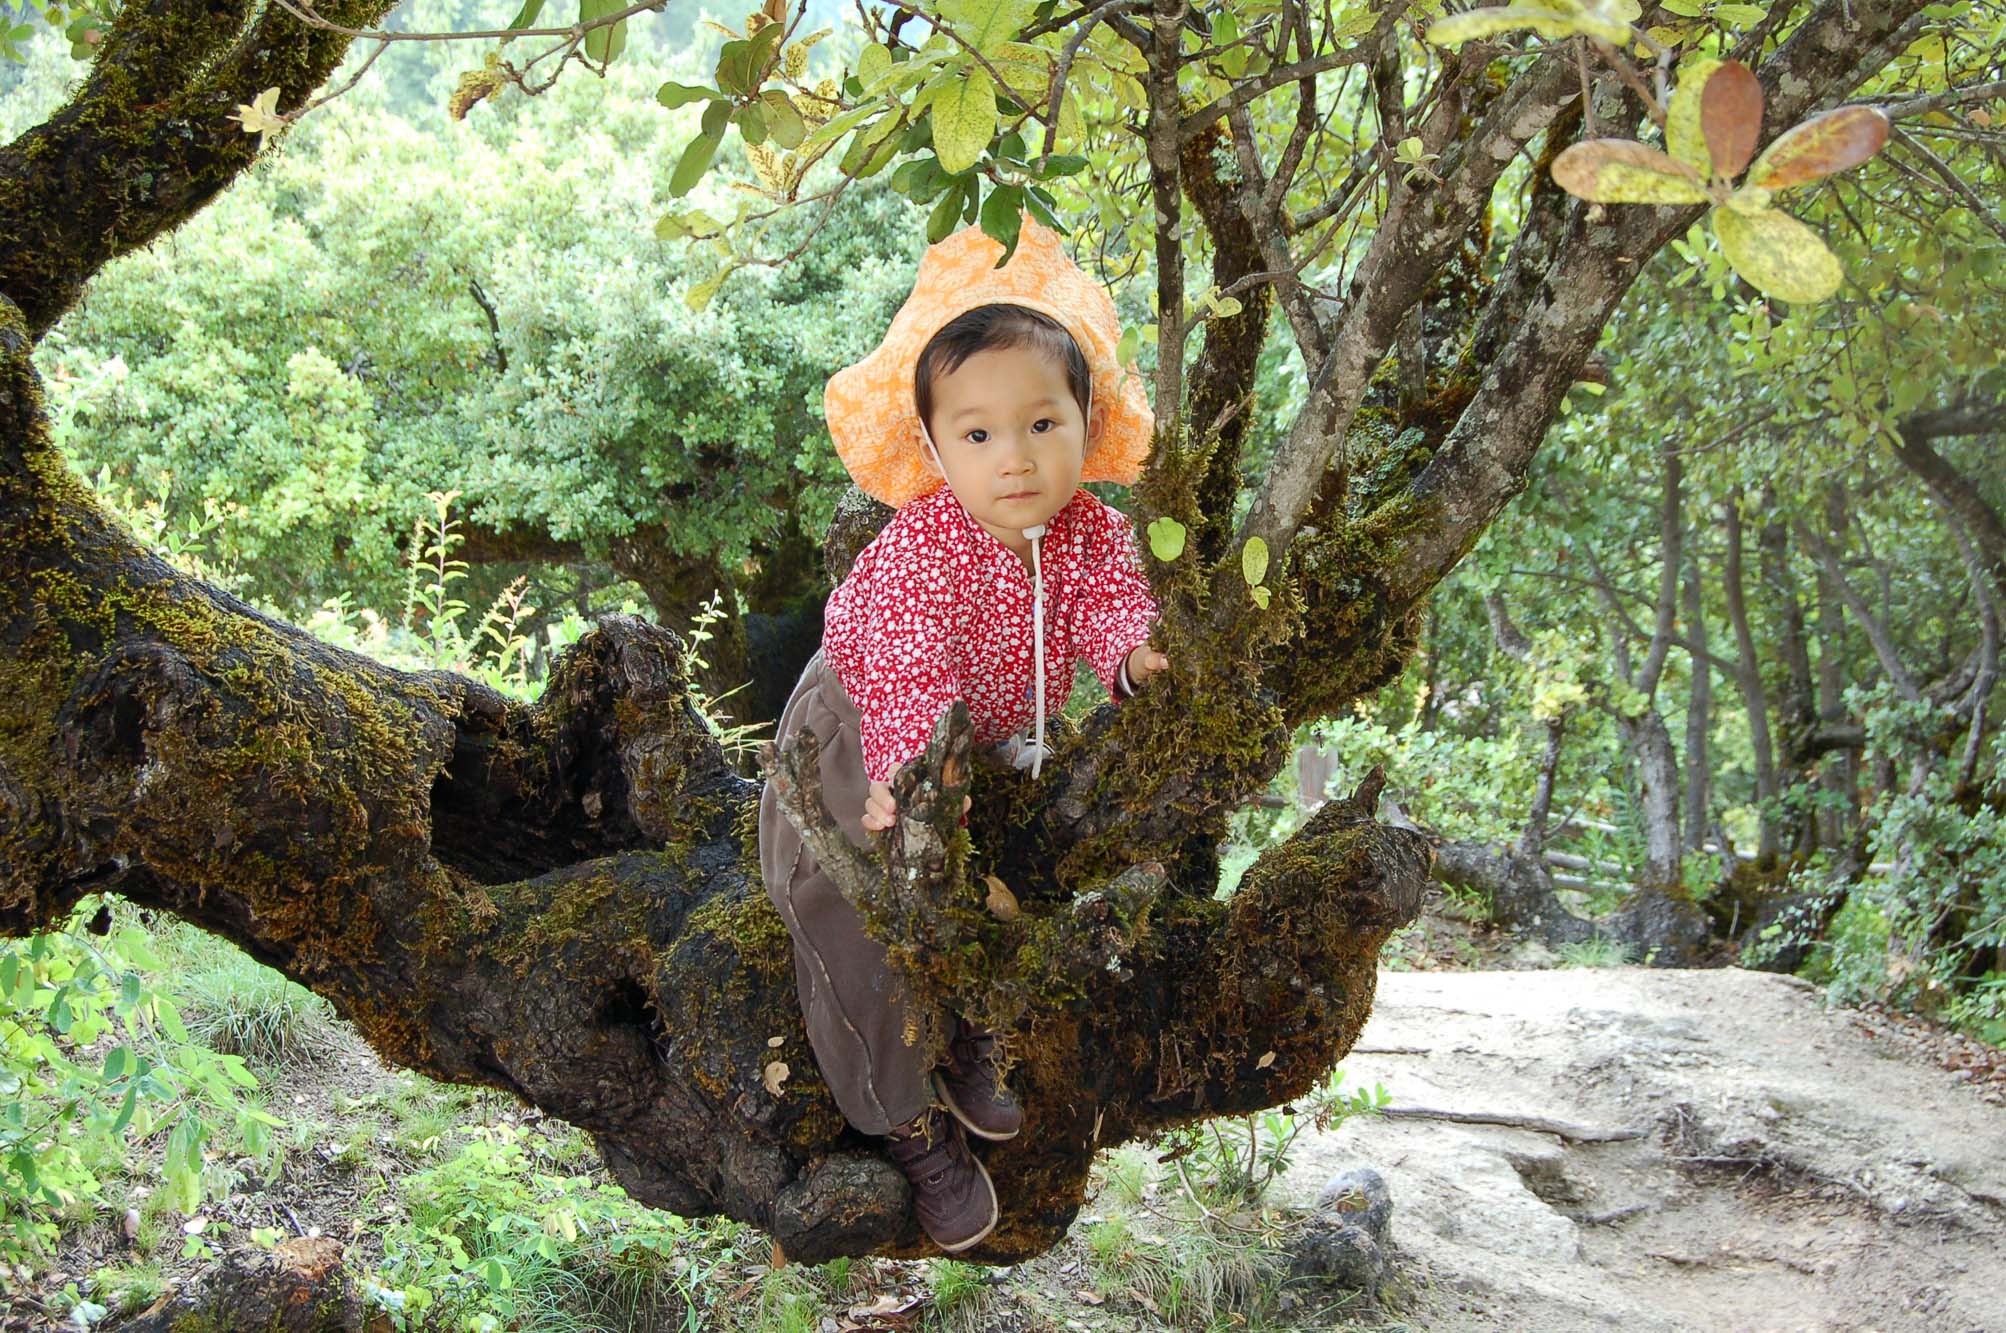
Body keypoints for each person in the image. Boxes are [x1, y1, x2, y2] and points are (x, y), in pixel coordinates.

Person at [756, 211, 1170, 1253]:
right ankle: (904, 1119)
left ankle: (968, 1029)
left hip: (977, 748)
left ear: (1086, 421)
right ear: (936, 446)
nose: (1015, 459)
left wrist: (1132, 659)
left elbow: (1114, 605)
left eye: (1042, 424)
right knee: (850, 914)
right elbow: (907, 673)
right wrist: (909, 786)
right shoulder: (923, 550)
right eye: (978, 435)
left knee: (999, 882)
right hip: (861, 735)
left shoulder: (1091, 531)